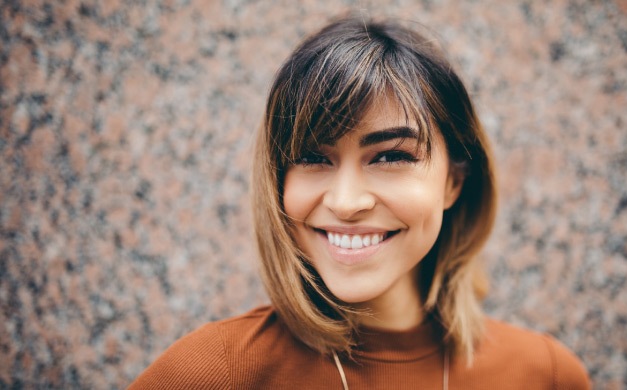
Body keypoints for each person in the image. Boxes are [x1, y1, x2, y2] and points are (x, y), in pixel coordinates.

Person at [130, 16, 590, 389]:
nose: (347, 202)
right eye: (313, 157)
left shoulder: (546, 375)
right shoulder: (216, 372)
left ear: (453, 181)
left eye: (390, 156)